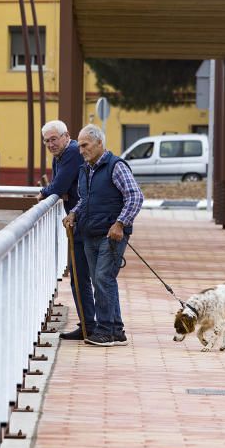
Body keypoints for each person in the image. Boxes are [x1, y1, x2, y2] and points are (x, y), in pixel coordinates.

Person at [63, 125, 143, 347]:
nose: (80, 150)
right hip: (90, 233)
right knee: (105, 280)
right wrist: (74, 213)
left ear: (99, 143)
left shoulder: (115, 167)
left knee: (102, 279)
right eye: (79, 146)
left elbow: (135, 197)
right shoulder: (86, 169)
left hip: (111, 235)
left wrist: (120, 224)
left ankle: (106, 331)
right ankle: (116, 330)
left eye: (85, 145)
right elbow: (86, 199)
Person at [38, 120, 94, 341]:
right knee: (80, 275)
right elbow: (59, 186)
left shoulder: (70, 152)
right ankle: (89, 324)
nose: (50, 144)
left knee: (81, 276)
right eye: (46, 141)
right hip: (77, 220)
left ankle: (90, 326)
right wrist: (56, 190)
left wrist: (46, 191)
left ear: (66, 136)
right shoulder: (61, 154)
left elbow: (58, 186)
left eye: (54, 139)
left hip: (82, 221)